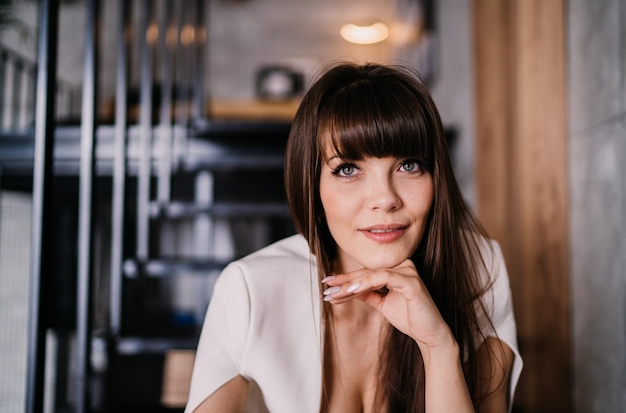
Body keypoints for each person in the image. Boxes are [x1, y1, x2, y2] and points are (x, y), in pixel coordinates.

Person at [184, 62, 522, 413]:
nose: (385, 198)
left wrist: (438, 345)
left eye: (409, 165)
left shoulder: (478, 267)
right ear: (312, 185)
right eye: (348, 169)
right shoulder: (250, 290)